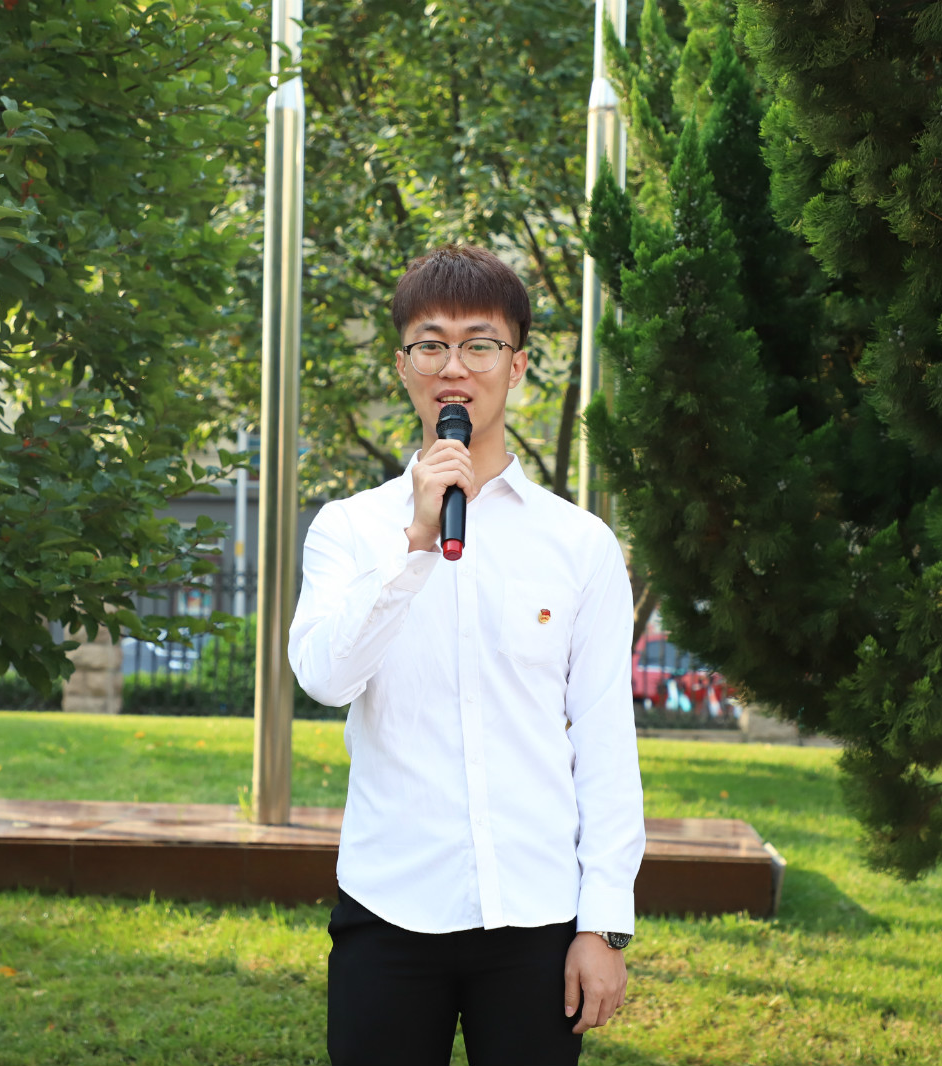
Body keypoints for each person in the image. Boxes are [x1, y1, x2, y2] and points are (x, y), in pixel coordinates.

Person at [289, 244, 646, 1065]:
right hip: (389, 905)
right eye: (431, 344)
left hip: (537, 913)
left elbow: (604, 741)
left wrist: (602, 925)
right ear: (403, 366)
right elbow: (325, 680)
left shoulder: (580, 544)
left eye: (480, 344)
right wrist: (414, 544)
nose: (455, 366)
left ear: (516, 365)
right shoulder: (349, 529)